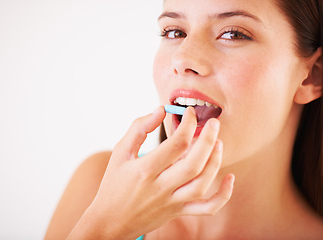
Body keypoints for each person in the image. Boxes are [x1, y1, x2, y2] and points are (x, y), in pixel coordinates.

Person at [44, 0, 323, 239]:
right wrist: (106, 228)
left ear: (312, 76)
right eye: (174, 31)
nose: (183, 58)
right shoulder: (97, 187)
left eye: (234, 34)